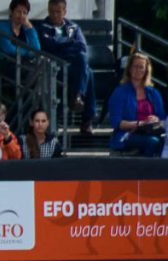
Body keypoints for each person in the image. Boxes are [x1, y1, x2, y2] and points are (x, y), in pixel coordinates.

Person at [38, 0, 97, 134]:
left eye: (58, 12)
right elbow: (48, 46)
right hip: (55, 67)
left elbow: (81, 47)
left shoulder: (72, 27)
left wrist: (61, 45)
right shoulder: (44, 26)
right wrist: (69, 43)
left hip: (73, 66)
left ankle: (78, 95)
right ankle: (86, 118)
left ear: (65, 12)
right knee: (89, 73)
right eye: (52, 11)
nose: (55, 15)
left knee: (84, 62)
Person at [108, 52, 165, 157]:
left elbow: (162, 118)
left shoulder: (154, 93)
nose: (137, 70)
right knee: (152, 142)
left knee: (160, 141)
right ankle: (145, 167)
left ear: (146, 70)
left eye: (141, 67)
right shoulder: (119, 92)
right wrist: (140, 124)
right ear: (129, 69)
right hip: (127, 134)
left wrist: (155, 119)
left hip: (151, 131)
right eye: (135, 66)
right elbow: (116, 122)